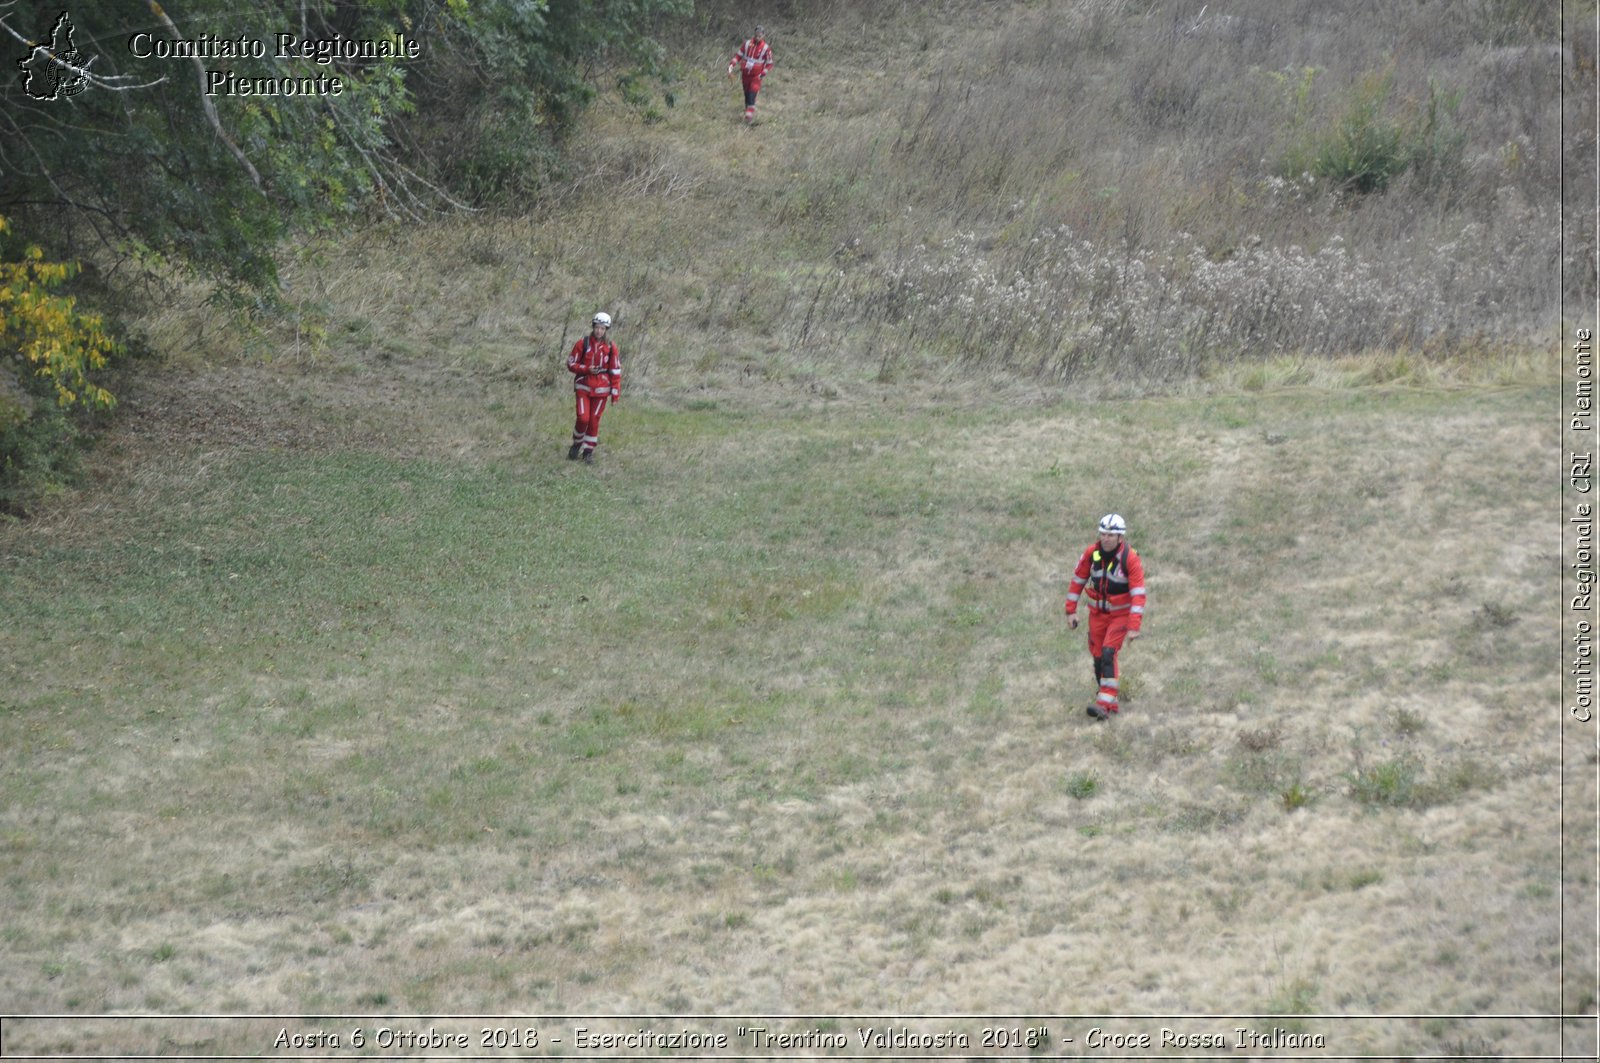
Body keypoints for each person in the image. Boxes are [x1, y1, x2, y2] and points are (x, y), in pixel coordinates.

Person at [1064, 514, 1146, 720]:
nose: (1106, 538)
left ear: (1120, 538)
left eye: (1111, 534)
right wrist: (1070, 610)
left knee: (1109, 652)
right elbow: (1077, 581)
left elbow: (1138, 594)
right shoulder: (1092, 554)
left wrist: (1134, 626)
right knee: (1099, 657)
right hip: (1097, 615)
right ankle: (1110, 702)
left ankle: (1104, 703)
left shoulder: (1130, 559)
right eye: (1103, 534)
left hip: (1120, 616)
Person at [566, 312, 621, 463]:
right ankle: (576, 444)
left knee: (594, 420)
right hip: (584, 386)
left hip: (602, 390)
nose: (599, 331)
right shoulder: (582, 343)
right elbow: (571, 364)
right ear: (593, 327)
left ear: (606, 330)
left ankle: (588, 451)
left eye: (603, 328)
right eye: (597, 327)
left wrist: (615, 393)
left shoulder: (610, 346)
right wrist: (586, 369)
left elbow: (615, 370)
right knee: (583, 418)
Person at [727, 25, 774, 123]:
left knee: (752, 94)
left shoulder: (766, 48)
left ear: (763, 36)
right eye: (756, 35)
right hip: (745, 75)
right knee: (747, 95)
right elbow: (738, 56)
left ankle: (749, 117)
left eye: (760, 36)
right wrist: (732, 65)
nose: (758, 37)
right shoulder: (747, 44)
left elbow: (769, 64)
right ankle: (747, 112)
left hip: (756, 76)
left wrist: (763, 73)